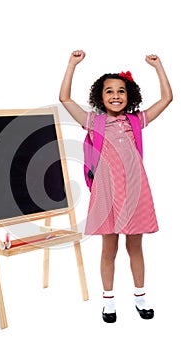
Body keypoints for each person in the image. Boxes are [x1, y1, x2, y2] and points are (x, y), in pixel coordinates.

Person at [59, 50, 172, 323]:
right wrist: (72, 64)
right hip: (108, 195)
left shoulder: (136, 121)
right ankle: (108, 301)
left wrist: (159, 66)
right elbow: (64, 99)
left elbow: (167, 98)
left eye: (121, 91)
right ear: (100, 97)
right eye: (109, 91)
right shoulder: (93, 122)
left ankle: (140, 297)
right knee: (109, 249)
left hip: (136, 192)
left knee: (135, 247)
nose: (115, 96)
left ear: (129, 95)